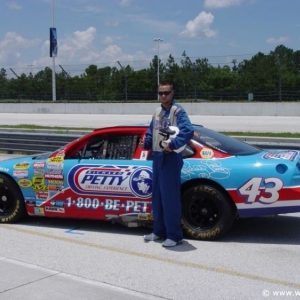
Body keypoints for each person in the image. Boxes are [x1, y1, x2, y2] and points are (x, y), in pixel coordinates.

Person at [139, 81, 194, 247]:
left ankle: (175, 236)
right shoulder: (157, 111)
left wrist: (173, 144)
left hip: (170, 158)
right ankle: (159, 231)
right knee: (158, 197)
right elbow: (151, 131)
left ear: (172, 93)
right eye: (160, 93)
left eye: (166, 92)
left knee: (170, 198)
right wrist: (146, 143)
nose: (163, 96)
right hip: (156, 156)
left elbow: (187, 130)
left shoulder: (177, 111)